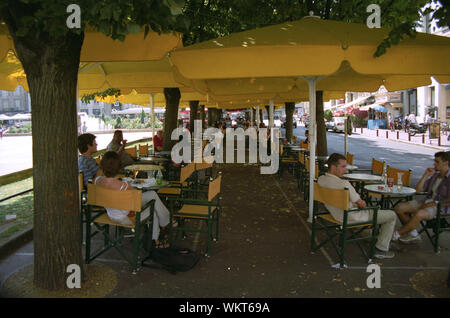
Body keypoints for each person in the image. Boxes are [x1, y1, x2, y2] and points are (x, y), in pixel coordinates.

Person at [317, 153, 397, 259]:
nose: (345, 170)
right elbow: (361, 204)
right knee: (391, 215)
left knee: (376, 214)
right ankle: (381, 249)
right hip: (351, 217)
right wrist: (361, 204)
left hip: (334, 214)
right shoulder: (344, 184)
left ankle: (375, 235)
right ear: (332, 167)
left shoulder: (321, 180)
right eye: (343, 167)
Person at [95, 151, 173, 247]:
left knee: (152, 194)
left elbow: (99, 174)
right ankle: (155, 240)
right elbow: (137, 197)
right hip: (125, 218)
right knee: (153, 208)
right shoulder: (123, 186)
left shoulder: (97, 181)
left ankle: (166, 221)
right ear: (119, 167)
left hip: (111, 213)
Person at [393, 151, 450, 243]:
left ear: (446, 163)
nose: (434, 164)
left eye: (437, 162)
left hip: (441, 207)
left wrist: (431, 204)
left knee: (419, 214)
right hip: (426, 202)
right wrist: (426, 175)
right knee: (400, 208)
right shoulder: (435, 176)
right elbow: (418, 190)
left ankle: (396, 234)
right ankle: (414, 234)